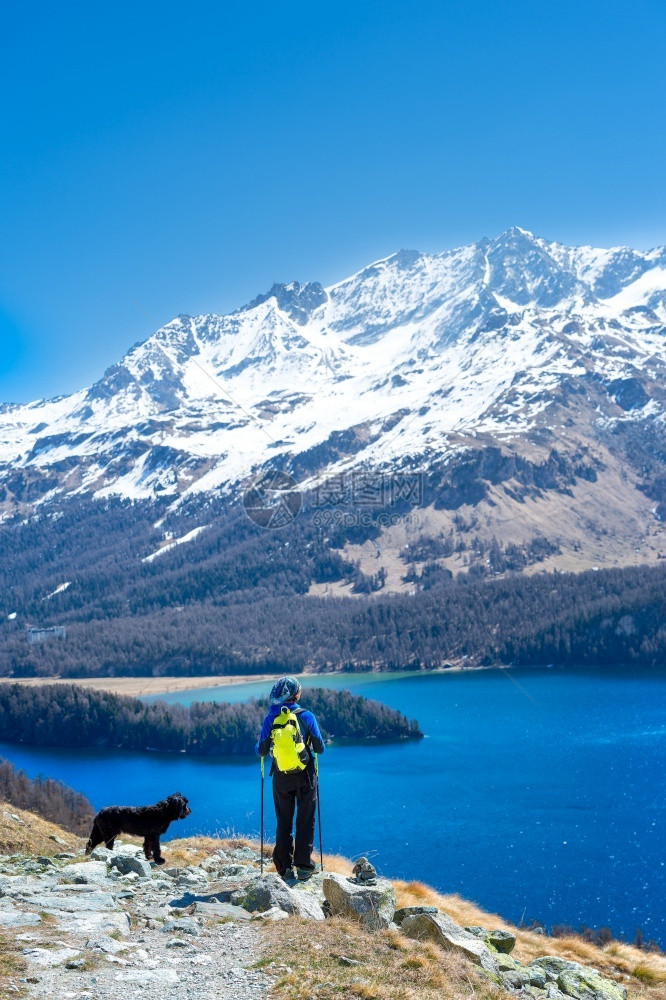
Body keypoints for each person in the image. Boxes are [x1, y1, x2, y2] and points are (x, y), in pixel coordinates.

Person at [256, 676, 325, 882]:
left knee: (283, 822)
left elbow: (260, 750)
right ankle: (304, 866)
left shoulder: (270, 718)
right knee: (305, 820)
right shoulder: (306, 716)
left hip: (281, 777)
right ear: (296, 695)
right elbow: (320, 747)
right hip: (305, 776)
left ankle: (284, 868)